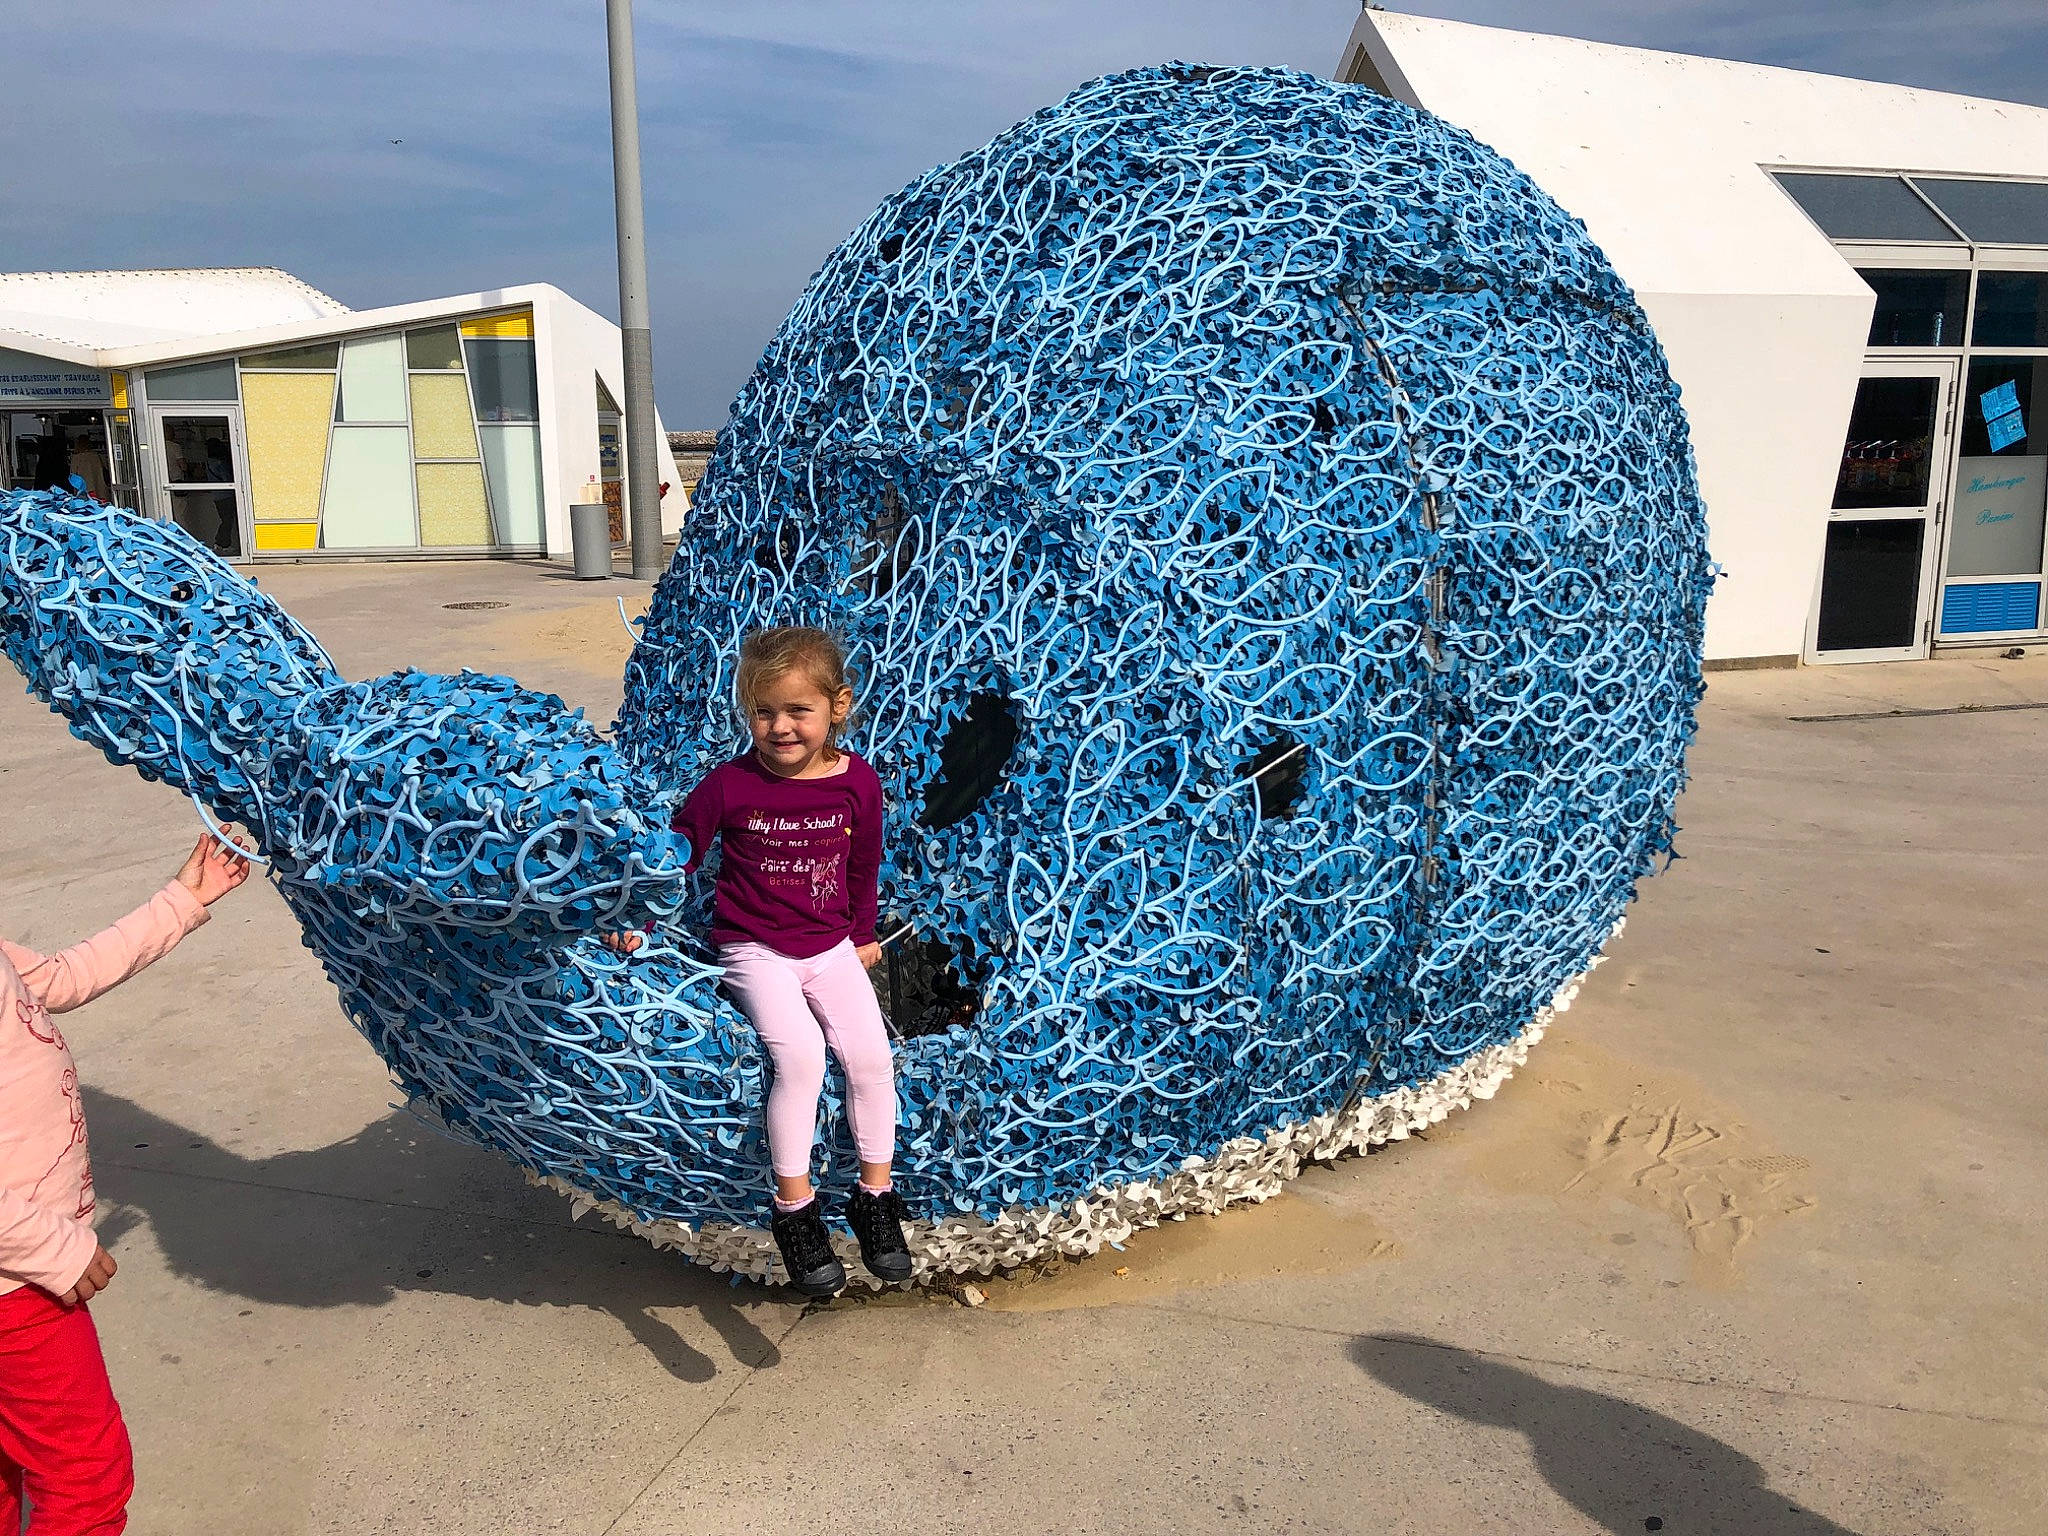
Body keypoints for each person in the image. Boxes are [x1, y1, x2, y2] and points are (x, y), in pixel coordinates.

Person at [609, 627, 909, 1296]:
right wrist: (640, 916)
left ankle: (875, 1198)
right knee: (801, 1057)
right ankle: (795, 1210)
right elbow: (680, 851)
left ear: (838, 705)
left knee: (871, 1060)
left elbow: (863, 864)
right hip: (755, 949)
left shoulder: (858, 782)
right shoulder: (729, 784)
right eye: (763, 711)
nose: (780, 727)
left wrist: (862, 935)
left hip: (829, 946)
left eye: (798, 710)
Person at [1, 836, 250, 1534]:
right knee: (85, 1477)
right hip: (16, 1286)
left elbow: (56, 979)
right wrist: (55, 1249)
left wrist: (183, 900)